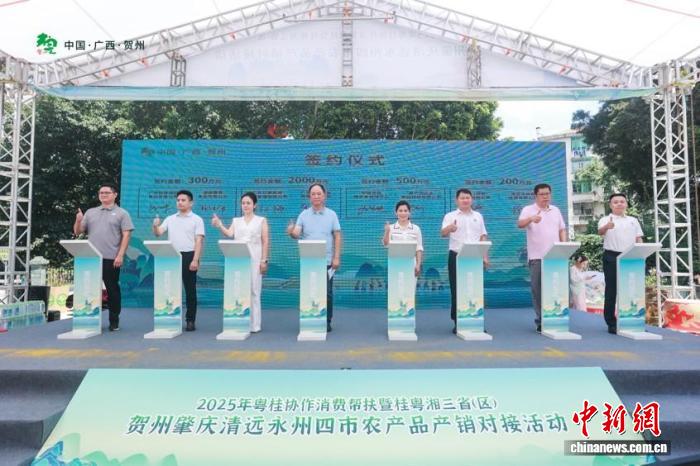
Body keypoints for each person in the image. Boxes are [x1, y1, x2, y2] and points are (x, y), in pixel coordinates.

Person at [73, 182, 134, 332]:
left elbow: (126, 235)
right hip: (91, 258)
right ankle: (89, 319)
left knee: (112, 290)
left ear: (115, 195)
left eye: (107, 192)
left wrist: (120, 255)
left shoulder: (122, 213)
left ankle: (114, 320)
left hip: (111, 258)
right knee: (89, 289)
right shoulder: (91, 212)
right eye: (101, 193)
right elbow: (78, 232)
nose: (103, 195)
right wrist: (78, 220)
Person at [286, 183, 341, 332]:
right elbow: (296, 234)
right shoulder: (303, 215)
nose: (316, 196)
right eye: (313, 194)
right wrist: (291, 232)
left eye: (319, 194)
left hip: (326, 260)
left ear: (324, 196)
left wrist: (336, 257)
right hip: (308, 261)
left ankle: (327, 320)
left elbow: (337, 235)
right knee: (309, 291)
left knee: (327, 292)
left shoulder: (332, 215)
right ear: (309, 197)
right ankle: (309, 318)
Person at [212, 192, 270, 333]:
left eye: (248, 203)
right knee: (239, 290)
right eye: (243, 203)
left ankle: (254, 325)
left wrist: (264, 260)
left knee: (254, 290)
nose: (245, 205)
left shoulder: (261, 220)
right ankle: (240, 321)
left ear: (254, 205)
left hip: (255, 259)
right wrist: (220, 225)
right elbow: (229, 234)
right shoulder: (236, 221)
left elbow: (265, 241)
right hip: (238, 260)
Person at [152, 190, 205, 332]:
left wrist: (195, 259)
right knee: (170, 289)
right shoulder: (170, 218)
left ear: (191, 203)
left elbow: (199, 241)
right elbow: (158, 233)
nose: (180, 202)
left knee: (190, 290)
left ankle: (190, 320)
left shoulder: (197, 219)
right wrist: (155, 225)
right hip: (172, 255)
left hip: (189, 255)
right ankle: (170, 317)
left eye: (183, 200)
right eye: (178, 200)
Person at [517, 183, 568, 332]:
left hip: (555, 257)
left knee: (556, 288)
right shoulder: (528, 209)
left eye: (547, 193)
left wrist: (564, 246)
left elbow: (562, 229)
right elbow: (520, 224)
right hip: (537, 256)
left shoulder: (555, 210)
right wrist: (531, 219)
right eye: (542, 194)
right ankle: (541, 320)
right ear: (536, 195)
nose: (545, 196)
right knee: (537, 290)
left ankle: (557, 317)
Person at [441, 188, 488, 334]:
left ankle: (476, 321)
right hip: (456, 256)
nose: (465, 200)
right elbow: (442, 233)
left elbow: (483, 236)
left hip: (475, 256)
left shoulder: (478, 216)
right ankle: (458, 322)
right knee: (457, 289)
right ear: (457, 200)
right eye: (462, 198)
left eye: (468, 197)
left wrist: (485, 256)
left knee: (475, 290)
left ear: (471, 199)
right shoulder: (450, 216)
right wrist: (450, 228)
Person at [597, 193, 643, 334]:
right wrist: (607, 227)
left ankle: (632, 321)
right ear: (610, 205)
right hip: (611, 256)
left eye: (622, 201)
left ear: (626, 204)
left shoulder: (633, 220)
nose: (619, 204)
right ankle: (611, 323)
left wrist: (641, 253)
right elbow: (600, 232)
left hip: (631, 257)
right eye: (615, 202)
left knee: (631, 290)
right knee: (611, 290)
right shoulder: (605, 219)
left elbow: (639, 238)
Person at [383, 200, 424, 277]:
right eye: (400, 211)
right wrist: (387, 231)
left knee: (410, 285)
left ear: (409, 213)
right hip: (395, 264)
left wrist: (418, 265)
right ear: (396, 213)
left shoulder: (416, 229)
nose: (403, 213)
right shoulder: (391, 228)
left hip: (411, 264)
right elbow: (385, 244)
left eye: (405, 211)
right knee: (395, 284)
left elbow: (419, 248)